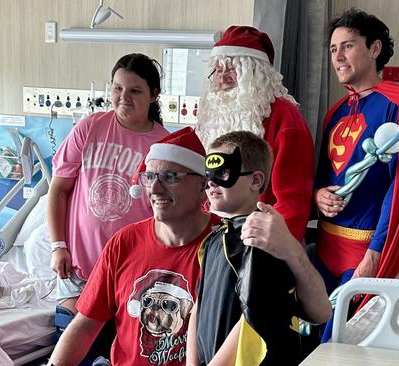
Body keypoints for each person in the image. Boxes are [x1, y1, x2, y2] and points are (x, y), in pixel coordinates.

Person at [48, 127, 217, 366]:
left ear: (202, 185)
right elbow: (86, 324)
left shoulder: (224, 246)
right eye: (149, 177)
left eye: (170, 177)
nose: (155, 189)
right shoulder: (123, 243)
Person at [314, 8, 399, 341]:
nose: (338, 57)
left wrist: (375, 255)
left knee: (335, 343)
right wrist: (317, 195)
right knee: (308, 333)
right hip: (324, 247)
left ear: (374, 49)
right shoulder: (337, 110)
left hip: (363, 251)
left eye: (347, 46)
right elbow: (320, 176)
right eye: (333, 49)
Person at [186, 131, 331, 365]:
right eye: (209, 174)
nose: (211, 182)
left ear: (256, 180)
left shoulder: (261, 239)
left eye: (223, 173)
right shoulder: (213, 240)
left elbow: (254, 314)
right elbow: (198, 305)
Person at [47, 53, 169, 314]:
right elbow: (58, 190)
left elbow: (167, 215)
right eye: (117, 88)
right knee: (73, 344)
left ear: (154, 95)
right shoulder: (89, 127)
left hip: (131, 274)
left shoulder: (164, 146)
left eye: (135, 91)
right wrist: (58, 246)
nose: (123, 97)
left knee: (114, 351)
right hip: (77, 270)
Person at [195, 25, 314, 243]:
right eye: (218, 71)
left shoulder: (284, 117)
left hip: (259, 240)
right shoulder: (211, 117)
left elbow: (292, 202)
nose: (223, 78)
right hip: (215, 236)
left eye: (232, 69)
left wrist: (277, 250)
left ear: (255, 73)